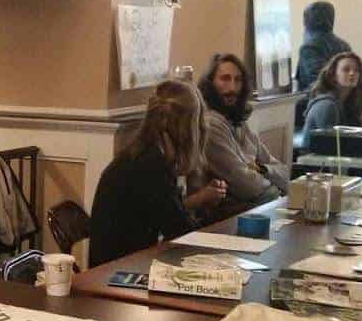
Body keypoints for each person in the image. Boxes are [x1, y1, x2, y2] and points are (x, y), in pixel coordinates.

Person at [89, 80, 226, 266]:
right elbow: (183, 233)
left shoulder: (141, 154)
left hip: (120, 263)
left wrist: (200, 201)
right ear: (189, 130)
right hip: (116, 272)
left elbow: (169, 213)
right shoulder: (150, 166)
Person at [198, 53, 289, 205]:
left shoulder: (238, 122)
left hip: (262, 201)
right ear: (210, 83)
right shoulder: (211, 123)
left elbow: (284, 172)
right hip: (233, 210)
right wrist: (275, 187)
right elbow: (247, 186)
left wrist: (261, 169)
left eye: (238, 80)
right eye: (225, 79)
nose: (232, 88)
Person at [295, 1, 353, 124]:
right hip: (343, 107)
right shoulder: (344, 45)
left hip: (317, 109)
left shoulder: (309, 47)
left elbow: (318, 82)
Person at [300, 51, 362, 150]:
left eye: (356, 70)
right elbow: (329, 146)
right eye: (346, 69)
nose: (352, 73)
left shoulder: (350, 103)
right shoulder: (327, 105)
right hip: (314, 158)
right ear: (333, 76)